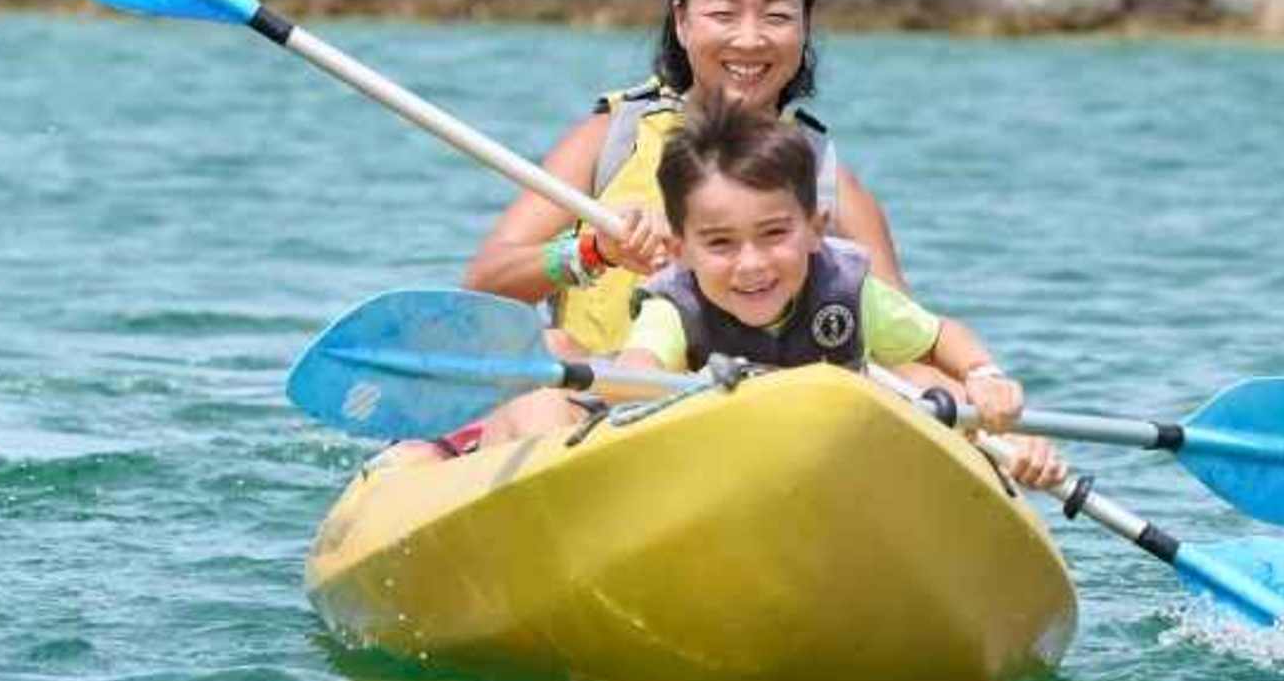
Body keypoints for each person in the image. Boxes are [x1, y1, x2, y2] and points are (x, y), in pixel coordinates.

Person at [413, 102, 1062, 489]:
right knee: (549, 372)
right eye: (720, 243)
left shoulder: (846, 289)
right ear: (683, 250)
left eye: (774, 234)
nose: (751, 264)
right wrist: (625, 384)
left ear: (814, 228)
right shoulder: (676, 305)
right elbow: (640, 368)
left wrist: (986, 378)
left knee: (934, 398)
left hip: (807, 461)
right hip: (700, 454)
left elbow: (939, 336)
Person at [464, 0, 905, 355]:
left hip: (759, 414)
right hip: (601, 405)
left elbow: (911, 344)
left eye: (776, 16)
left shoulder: (828, 181)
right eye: (724, 14)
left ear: (805, 26)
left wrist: (974, 380)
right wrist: (595, 251)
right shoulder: (610, 139)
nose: (750, 39)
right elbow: (484, 284)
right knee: (553, 346)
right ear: (682, 21)